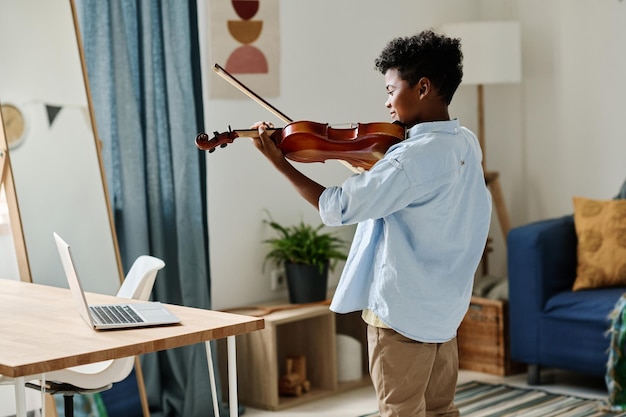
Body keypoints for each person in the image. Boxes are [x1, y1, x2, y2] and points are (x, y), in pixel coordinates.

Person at [251, 29, 492, 417]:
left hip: (400, 314)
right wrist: (377, 172)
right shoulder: (465, 143)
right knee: (441, 409)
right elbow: (420, 197)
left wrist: (281, 165)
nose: (387, 102)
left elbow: (337, 206)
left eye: (392, 89)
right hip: (444, 314)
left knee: (400, 411)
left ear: (424, 87)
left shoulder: (408, 160)